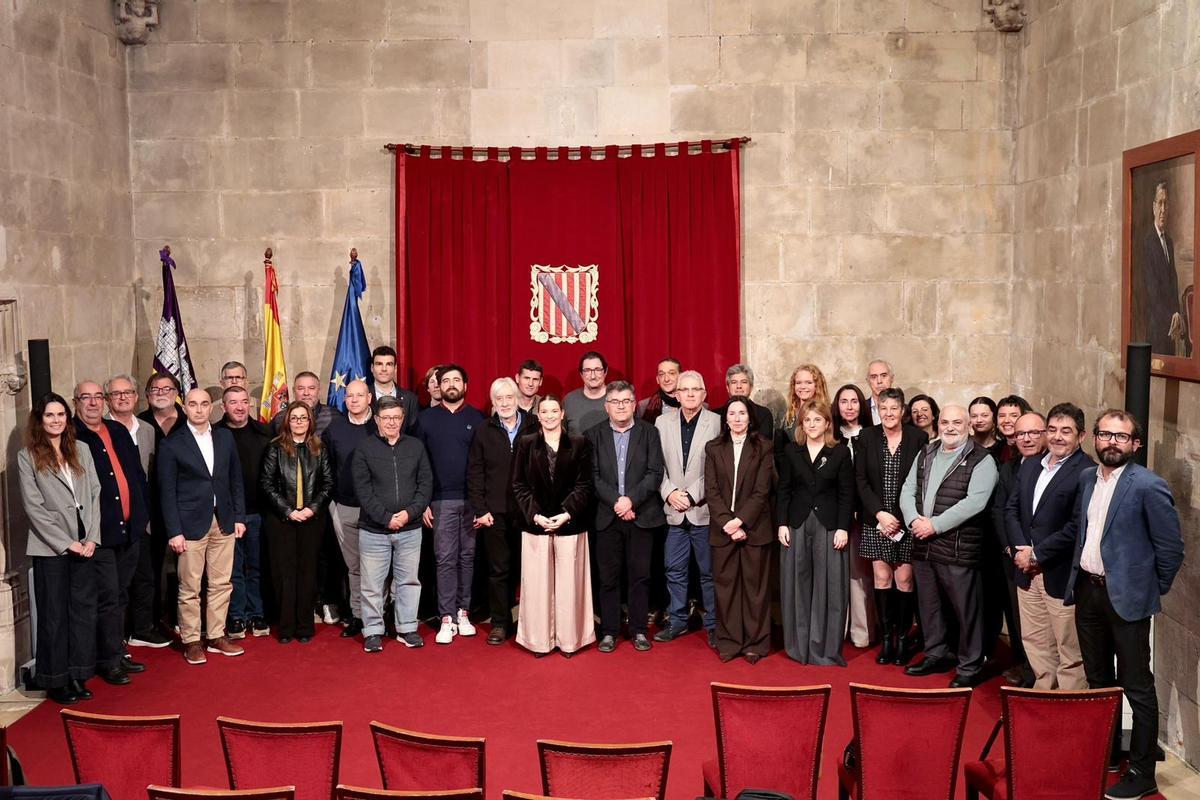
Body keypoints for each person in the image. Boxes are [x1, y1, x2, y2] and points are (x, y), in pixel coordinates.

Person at [1059, 410, 1184, 800]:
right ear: (1094, 438)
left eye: (1121, 437)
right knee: (1098, 679)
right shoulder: (1085, 479)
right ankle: (1108, 753)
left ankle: (1143, 772)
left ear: (1135, 444)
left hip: (1127, 598)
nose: (1112, 442)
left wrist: (1146, 588)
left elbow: (1171, 549)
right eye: (1105, 434)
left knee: (1137, 687)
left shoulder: (1148, 485)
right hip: (1088, 592)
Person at [900, 404, 998, 688]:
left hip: (956, 546)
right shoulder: (927, 452)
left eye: (957, 422)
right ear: (938, 424)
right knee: (929, 606)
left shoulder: (981, 459)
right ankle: (936, 654)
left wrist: (935, 525)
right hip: (923, 543)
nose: (950, 427)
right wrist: (913, 520)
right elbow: (908, 489)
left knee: (965, 610)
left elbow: (975, 502)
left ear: (969, 426)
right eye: (945, 422)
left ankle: (969, 665)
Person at [18, 393, 102, 705]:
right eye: (50, 415)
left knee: (82, 612)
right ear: (40, 421)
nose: (56, 420)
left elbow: (94, 493)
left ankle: (78, 673)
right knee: (54, 615)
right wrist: (67, 543)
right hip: (51, 548)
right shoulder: (27, 456)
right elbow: (34, 507)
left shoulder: (82, 449)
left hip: (86, 542)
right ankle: (56, 679)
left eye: (61, 414)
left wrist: (92, 536)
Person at [1004, 405, 1092, 690]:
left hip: (1059, 571)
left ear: (1081, 436)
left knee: (1068, 648)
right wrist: (1021, 550)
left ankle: (1069, 710)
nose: (1057, 437)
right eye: (1052, 430)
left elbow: (1077, 526)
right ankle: (1044, 697)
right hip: (1026, 570)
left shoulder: (1086, 471)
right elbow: (1012, 509)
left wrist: (1037, 553)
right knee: (1035, 640)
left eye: (1066, 431)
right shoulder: (1031, 464)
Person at [157, 388, 247, 665]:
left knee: (221, 583)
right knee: (190, 586)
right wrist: (174, 531)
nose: (198, 409)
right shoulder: (173, 444)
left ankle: (217, 636)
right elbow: (166, 491)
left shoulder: (224, 437)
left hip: (224, 520)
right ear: (185, 409)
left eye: (204, 404)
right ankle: (192, 640)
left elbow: (235, 479)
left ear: (212, 407)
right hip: (189, 524)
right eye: (193, 404)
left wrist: (239, 517)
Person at [73, 381, 150, 685]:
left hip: (130, 529)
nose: (93, 403)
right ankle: (107, 660)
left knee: (120, 596)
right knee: (106, 597)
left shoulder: (117, 431)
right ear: (76, 402)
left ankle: (118, 652)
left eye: (97, 398)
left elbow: (136, 476)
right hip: (100, 533)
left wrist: (142, 517)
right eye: (85, 398)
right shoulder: (74, 437)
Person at [511, 395, 596, 657]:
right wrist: (535, 515)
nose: (549, 415)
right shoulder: (525, 443)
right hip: (536, 524)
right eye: (544, 411)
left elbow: (585, 485)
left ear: (562, 414)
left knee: (571, 586)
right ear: (538, 415)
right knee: (537, 587)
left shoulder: (580, 444)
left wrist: (565, 514)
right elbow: (519, 485)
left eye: (553, 411)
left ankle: (570, 640)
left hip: (570, 523)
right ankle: (540, 641)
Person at [586, 380, 666, 653]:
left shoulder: (649, 433)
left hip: (641, 515)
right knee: (608, 578)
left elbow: (655, 473)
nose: (621, 407)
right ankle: (609, 631)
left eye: (626, 401)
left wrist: (630, 500)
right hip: (607, 517)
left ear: (634, 404)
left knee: (640, 577)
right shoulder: (592, 435)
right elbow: (592, 477)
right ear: (607, 406)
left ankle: (639, 630)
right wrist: (617, 502)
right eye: (615, 402)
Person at [351, 396, 432, 653]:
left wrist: (408, 514)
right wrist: (386, 517)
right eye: (386, 418)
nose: (392, 423)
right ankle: (373, 631)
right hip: (374, 529)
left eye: (396, 417)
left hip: (410, 528)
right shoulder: (364, 448)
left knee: (408, 581)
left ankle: (407, 628)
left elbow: (425, 485)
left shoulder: (416, 447)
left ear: (402, 419)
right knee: (372, 585)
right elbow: (363, 491)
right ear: (376, 419)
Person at [776, 400, 854, 666]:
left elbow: (847, 493)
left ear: (827, 424)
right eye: (807, 420)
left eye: (817, 420)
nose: (811, 425)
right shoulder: (791, 450)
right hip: (796, 524)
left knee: (828, 586)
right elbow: (783, 490)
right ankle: (799, 647)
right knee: (797, 585)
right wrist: (782, 523)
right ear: (802, 424)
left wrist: (843, 527)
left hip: (829, 526)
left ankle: (824, 649)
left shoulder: (840, 453)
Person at [855, 388, 928, 666]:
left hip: (906, 521)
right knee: (882, 580)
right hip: (877, 521)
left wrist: (898, 517)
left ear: (902, 411)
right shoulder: (867, 437)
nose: (888, 413)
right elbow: (860, 480)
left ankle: (902, 639)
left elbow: (920, 483)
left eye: (893, 408)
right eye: (883, 408)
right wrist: (880, 515)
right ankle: (887, 640)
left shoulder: (918, 438)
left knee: (905, 581)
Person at [418, 364, 486, 645]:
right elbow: (418, 466)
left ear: (465, 386)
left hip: (471, 501)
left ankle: (463, 612)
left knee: (467, 558)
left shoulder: (478, 419)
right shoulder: (425, 420)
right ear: (439, 386)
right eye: (446, 380)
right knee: (445, 559)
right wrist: (423, 502)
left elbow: (483, 464)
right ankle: (446, 616)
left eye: (457, 379)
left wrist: (481, 505)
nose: (451, 384)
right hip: (440, 501)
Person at [704, 397, 774, 663]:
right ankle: (730, 642)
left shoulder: (764, 447)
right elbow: (711, 491)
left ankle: (756, 643)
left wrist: (741, 521)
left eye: (742, 413)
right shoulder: (713, 448)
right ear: (726, 418)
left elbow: (761, 490)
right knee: (726, 588)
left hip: (755, 528)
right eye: (732, 413)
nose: (736, 418)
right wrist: (728, 523)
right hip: (723, 530)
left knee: (755, 590)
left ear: (750, 417)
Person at [466, 377, 536, 644]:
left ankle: (529, 622)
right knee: (499, 570)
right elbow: (475, 473)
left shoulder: (534, 425)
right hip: (494, 513)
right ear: (493, 402)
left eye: (509, 398)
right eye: (499, 399)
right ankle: (499, 623)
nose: (505, 403)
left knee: (530, 571)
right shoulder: (484, 430)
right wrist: (480, 509)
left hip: (528, 513)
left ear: (517, 399)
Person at [653, 370, 720, 646]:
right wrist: (669, 493)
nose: (690, 394)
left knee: (708, 572)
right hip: (673, 511)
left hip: (702, 510)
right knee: (674, 570)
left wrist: (691, 496)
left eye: (696, 390)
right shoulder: (661, 422)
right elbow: (655, 465)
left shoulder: (717, 422)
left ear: (704, 394)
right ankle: (678, 621)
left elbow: (718, 469)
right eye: (685, 390)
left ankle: (715, 625)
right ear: (676, 394)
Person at [103, 374, 168, 649]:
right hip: (114, 518)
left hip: (143, 516)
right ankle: (115, 637)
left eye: (128, 392)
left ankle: (142, 628)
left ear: (136, 396)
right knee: (116, 583)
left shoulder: (147, 429)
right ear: (108, 399)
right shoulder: (101, 430)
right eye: (116, 394)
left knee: (146, 575)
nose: (123, 397)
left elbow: (151, 474)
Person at [259, 401, 332, 644]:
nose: (299, 422)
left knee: (307, 572)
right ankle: (286, 627)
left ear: (310, 421)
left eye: (303, 418)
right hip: (282, 521)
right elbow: (267, 485)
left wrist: (312, 509)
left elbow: (328, 484)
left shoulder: (320, 448)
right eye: (294, 418)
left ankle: (305, 627)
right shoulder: (275, 448)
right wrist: (289, 511)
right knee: (285, 574)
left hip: (312, 520)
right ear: (287, 422)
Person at [990, 410, 1044, 688]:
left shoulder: (1052, 467)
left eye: (1034, 433)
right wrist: (1011, 548)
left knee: (1044, 627)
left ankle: (1041, 676)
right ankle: (1024, 666)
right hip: (1014, 555)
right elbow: (1001, 509)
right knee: (1017, 617)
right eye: (1021, 434)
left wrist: (1033, 552)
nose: (1026, 439)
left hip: (1044, 559)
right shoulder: (1010, 467)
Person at [215, 386, 272, 640]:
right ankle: (237, 616)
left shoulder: (264, 434)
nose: (239, 407)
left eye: (244, 401)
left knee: (256, 566)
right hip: (226, 515)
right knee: (232, 569)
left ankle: (258, 613)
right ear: (223, 407)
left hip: (258, 513)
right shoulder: (215, 435)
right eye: (233, 402)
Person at [321, 378, 376, 638]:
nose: (354, 400)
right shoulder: (335, 430)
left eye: (359, 395)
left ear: (369, 398)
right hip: (345, 506)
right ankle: (358, 616)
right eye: (349, 396)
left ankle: (379, 613)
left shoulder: (380, 427)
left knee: (376, 566)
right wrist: (333, 501)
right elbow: (327, 468)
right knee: (354, 566)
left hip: (376, 509)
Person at [831, 382, 875, 650]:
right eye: (844, 401)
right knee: (834, 573)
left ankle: (861, 631)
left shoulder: (870, 436)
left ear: (862, 405)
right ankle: (837, 629)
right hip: (833, 514)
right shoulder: (830, 435)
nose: (849, 406)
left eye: (854, 401)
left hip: (862, 514)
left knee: (859, 575)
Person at [1143, 180, 1186, 355]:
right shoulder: (1148, 242)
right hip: (1157, 331)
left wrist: (1177, 314)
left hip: (1171, 331)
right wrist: (1172, 317)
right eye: (1160, 203)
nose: (1163, 209)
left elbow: (1173, 283)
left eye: (1165, 204)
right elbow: (1153, 293)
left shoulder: (1169, 242)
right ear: (1153, 207)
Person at [776, 364, 830, 450]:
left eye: (808, 382)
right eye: (798, 383)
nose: (803, 387)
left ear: (817, 385)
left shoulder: (828, 413)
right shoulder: (786, 416)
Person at [717, 363, 773, 439]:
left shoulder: (764, 414)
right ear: (727, 387)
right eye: (734, 382)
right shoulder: (716, 415)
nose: (739, 386)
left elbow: (763, 445)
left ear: (751, 387)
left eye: (744, 382)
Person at [371, 345, 420, 427]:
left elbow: (413, 433)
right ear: (372, 368)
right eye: (379, 364)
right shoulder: (362, 396)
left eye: (389, 364)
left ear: (395, 368)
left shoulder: (411, 399)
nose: (384, 369)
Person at [564, 351, 609, 433]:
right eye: (587, 370)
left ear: (605, 371)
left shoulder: (617, 400)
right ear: (581, 374)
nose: (593, 376)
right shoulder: (569, 400)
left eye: (597, 370)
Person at [138, 373, 181, 442]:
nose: (160, 393)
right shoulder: (138, 424)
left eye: (167, 389)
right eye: (155, 389)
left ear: (176, 392)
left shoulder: (189, 420)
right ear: (147, 393)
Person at [636, 358, 681, 423]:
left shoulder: (692, 402)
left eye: (671, 373)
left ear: (681, 376)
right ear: (657, 379)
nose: (666, 379)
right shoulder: (644, 406)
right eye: (661, 374)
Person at [995, 394, 1033, 464]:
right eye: (1002, 416)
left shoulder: (1031, 449)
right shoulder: (995, 451)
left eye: (1014, 416)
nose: (1006, 420)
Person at [865, 359, 895, 425]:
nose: (879, 381)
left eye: (884, 375)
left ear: (892, 378)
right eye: (874, 377)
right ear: (868, 381)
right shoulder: (861, 409)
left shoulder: (905, 410)